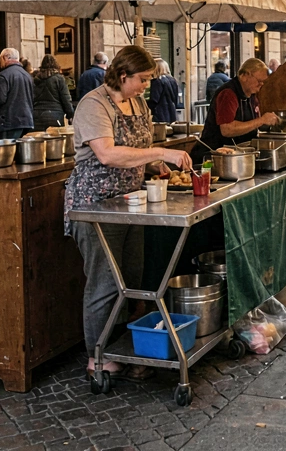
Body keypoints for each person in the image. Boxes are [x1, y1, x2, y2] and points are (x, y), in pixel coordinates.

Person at [65, 45, 193, 385]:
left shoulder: (137, 103)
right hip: (94, 205)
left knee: (132, 277)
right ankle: (97, 358)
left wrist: (157, 164)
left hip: (129, 202)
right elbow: (106, 154)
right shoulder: (93, 105)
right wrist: (162, 150)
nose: (146, 86)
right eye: (142, 79)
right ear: (123, 75)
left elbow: (135, 150)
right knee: (105, 283)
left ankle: (126, 344)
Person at [192, 58, 278, 164]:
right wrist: (261, 120)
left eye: (263, 82)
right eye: (259, 81)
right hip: (214, 157)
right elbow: (227, 129)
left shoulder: (252, 95)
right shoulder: (228, 94)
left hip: (238, 156)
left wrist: (269, 123)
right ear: (245, 75)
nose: (261, 84)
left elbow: (252, 124)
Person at [0, 48, 35, 140]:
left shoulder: (4, 75)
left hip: (8, 122)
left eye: (0, 58)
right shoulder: (27, 75)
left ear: (5, 58)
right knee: (18, 152)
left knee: (5, 152)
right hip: (25, 120)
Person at [32, 55, 75, 129]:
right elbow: (66, 99)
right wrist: (70, 114)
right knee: (55, 139)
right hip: (55, 115)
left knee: (38, 138)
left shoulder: (35, 79)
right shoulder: (59, 79)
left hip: (36, 115)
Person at [148, 59, 181, 123]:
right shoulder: (173, 80)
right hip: (172, 114)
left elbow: (154, 100)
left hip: (160, 115)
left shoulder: (157, 81)